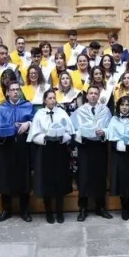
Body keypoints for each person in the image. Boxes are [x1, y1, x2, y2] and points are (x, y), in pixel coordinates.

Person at [27, 90, 76, 223]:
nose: (52, 100)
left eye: (54, 98)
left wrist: (61, 137)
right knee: (46, 181)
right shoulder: (39, 114)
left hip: (59, 150)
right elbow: (34, 135)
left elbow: (69, 131)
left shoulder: (61, 112)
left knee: (60, 179)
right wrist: (45, 137)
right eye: (49, 98)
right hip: (45, 151)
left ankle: (60, 212)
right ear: (45, 100)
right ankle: (48, 212)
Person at [0, 81, 35, 222]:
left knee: (24, 177)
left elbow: (36, 121)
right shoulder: (1, 108)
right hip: (6, 145)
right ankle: (6, 210)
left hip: (22, 145)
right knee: (6, 177)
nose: (16, 92)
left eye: (17, 89)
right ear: (7, 92)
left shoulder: (28, 106)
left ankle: (25, 210)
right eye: (12, 90)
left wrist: (28, 123)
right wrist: (0, 136)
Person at [72, 85, 113, 221]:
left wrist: (104, 132)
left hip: (99, 146)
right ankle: (83, 208)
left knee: (100, 176)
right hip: (85, 146)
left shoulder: (105, 110)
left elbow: (110, 128)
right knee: (84, 177)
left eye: (96, 93)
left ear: (99, 95)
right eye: (91, 93)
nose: (93, 95)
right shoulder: (79, 111)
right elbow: (73, 129)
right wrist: (81, 135)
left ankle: (100, 207)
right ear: (87, 95)